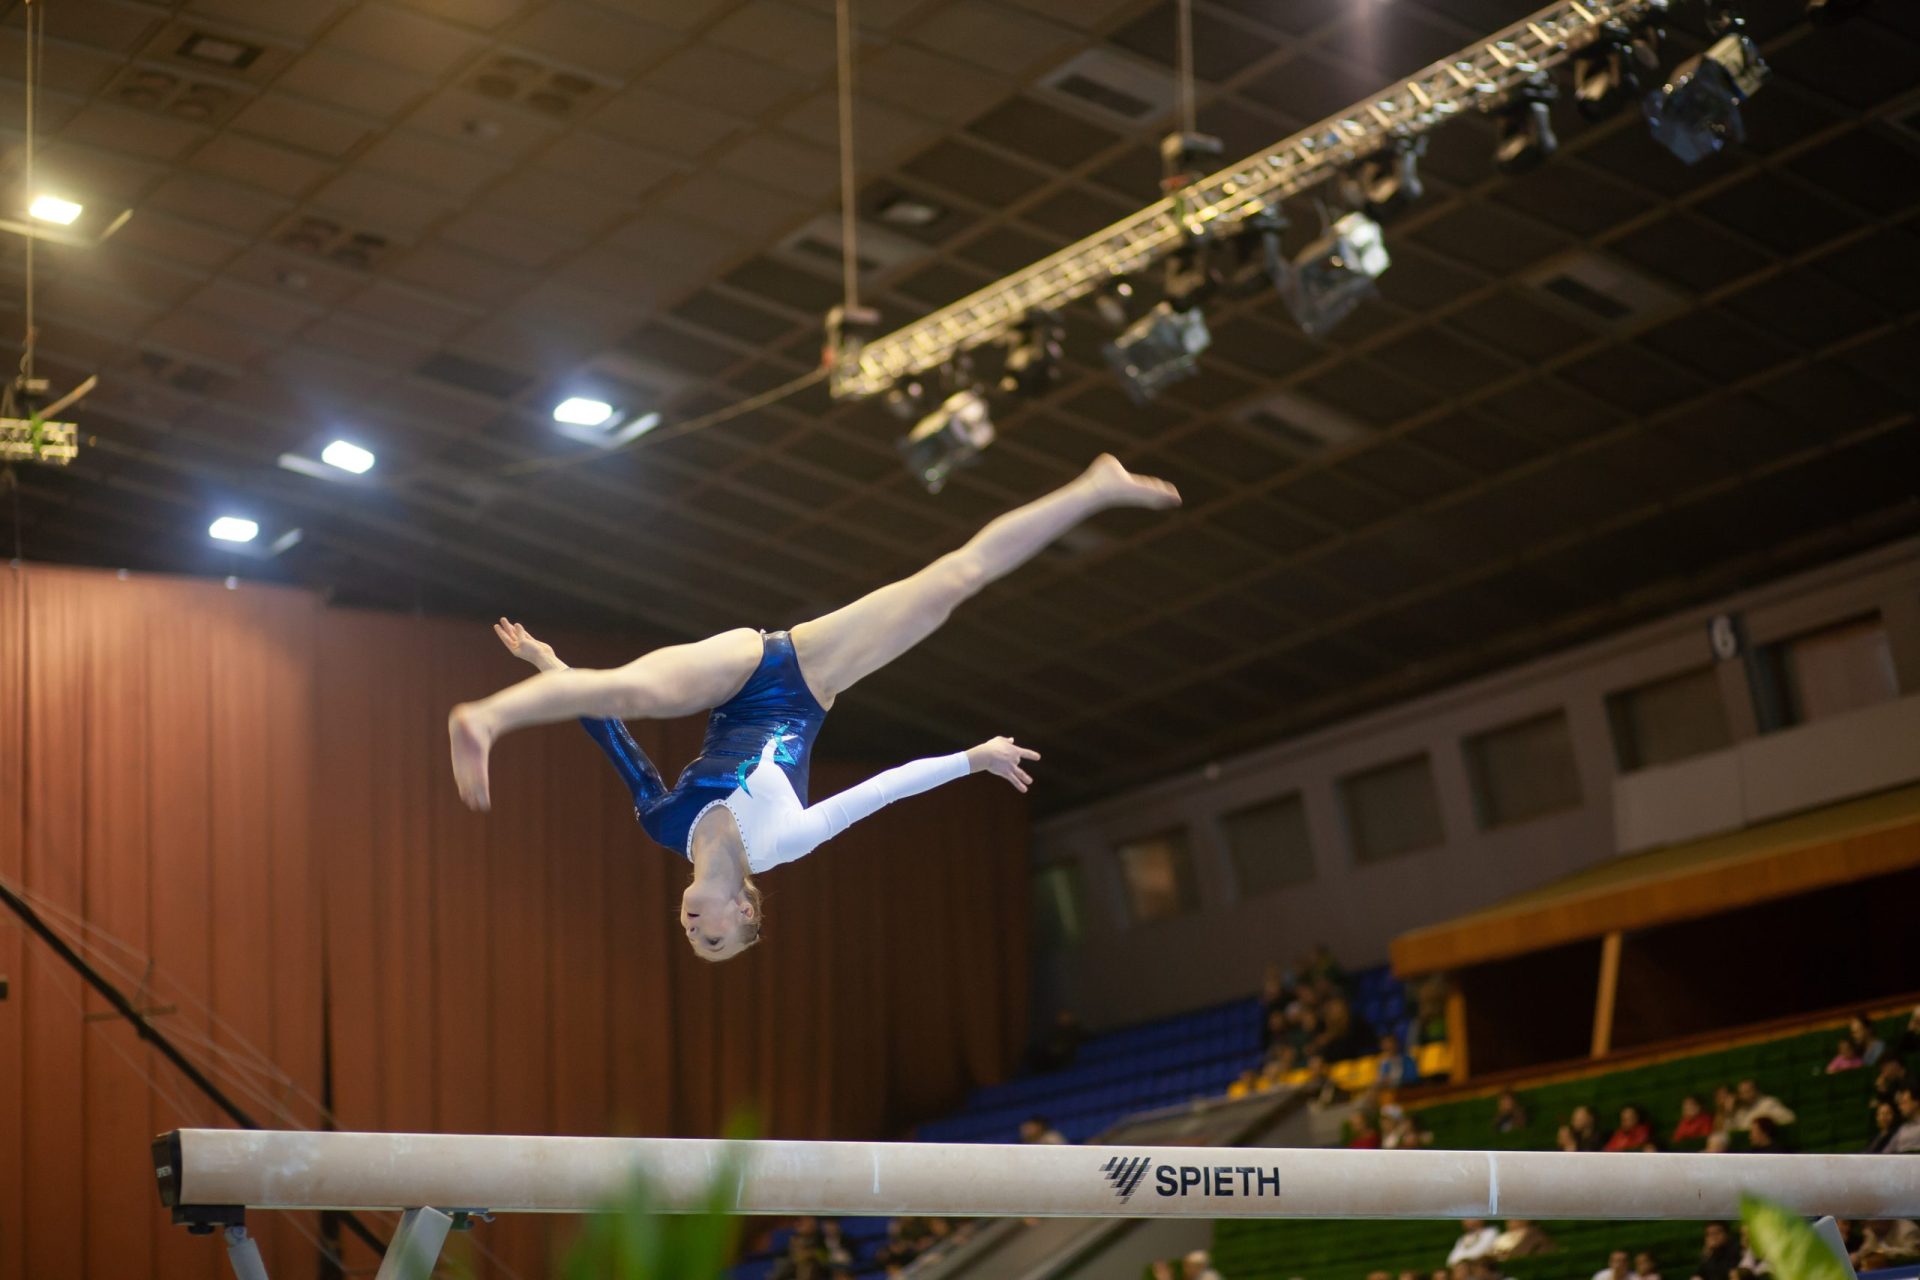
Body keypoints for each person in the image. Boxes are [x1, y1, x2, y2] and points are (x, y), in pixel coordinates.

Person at [455, 456, 1180, 960]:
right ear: (745, 911)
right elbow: (881, 790)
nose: (692, 931)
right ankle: (1094, 487)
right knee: (956, 580)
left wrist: (550, 666)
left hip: (734, 670)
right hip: (804, 673)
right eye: (713, 939)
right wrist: (972, 760)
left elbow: (614, 738)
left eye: (691, 940)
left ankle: (488, 716)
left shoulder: (661, 824)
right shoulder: (785, 842)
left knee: (635, 691)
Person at [1728, 1080, 1795, 1132]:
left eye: (1748, 1091)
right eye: (1741, 1093)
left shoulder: (1768, 1103)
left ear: (1756, 1091)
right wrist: (1730, 1112)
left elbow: (1790, 1118)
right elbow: (1732, 1131)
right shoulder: (1740, 1111)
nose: (1744, 1096)